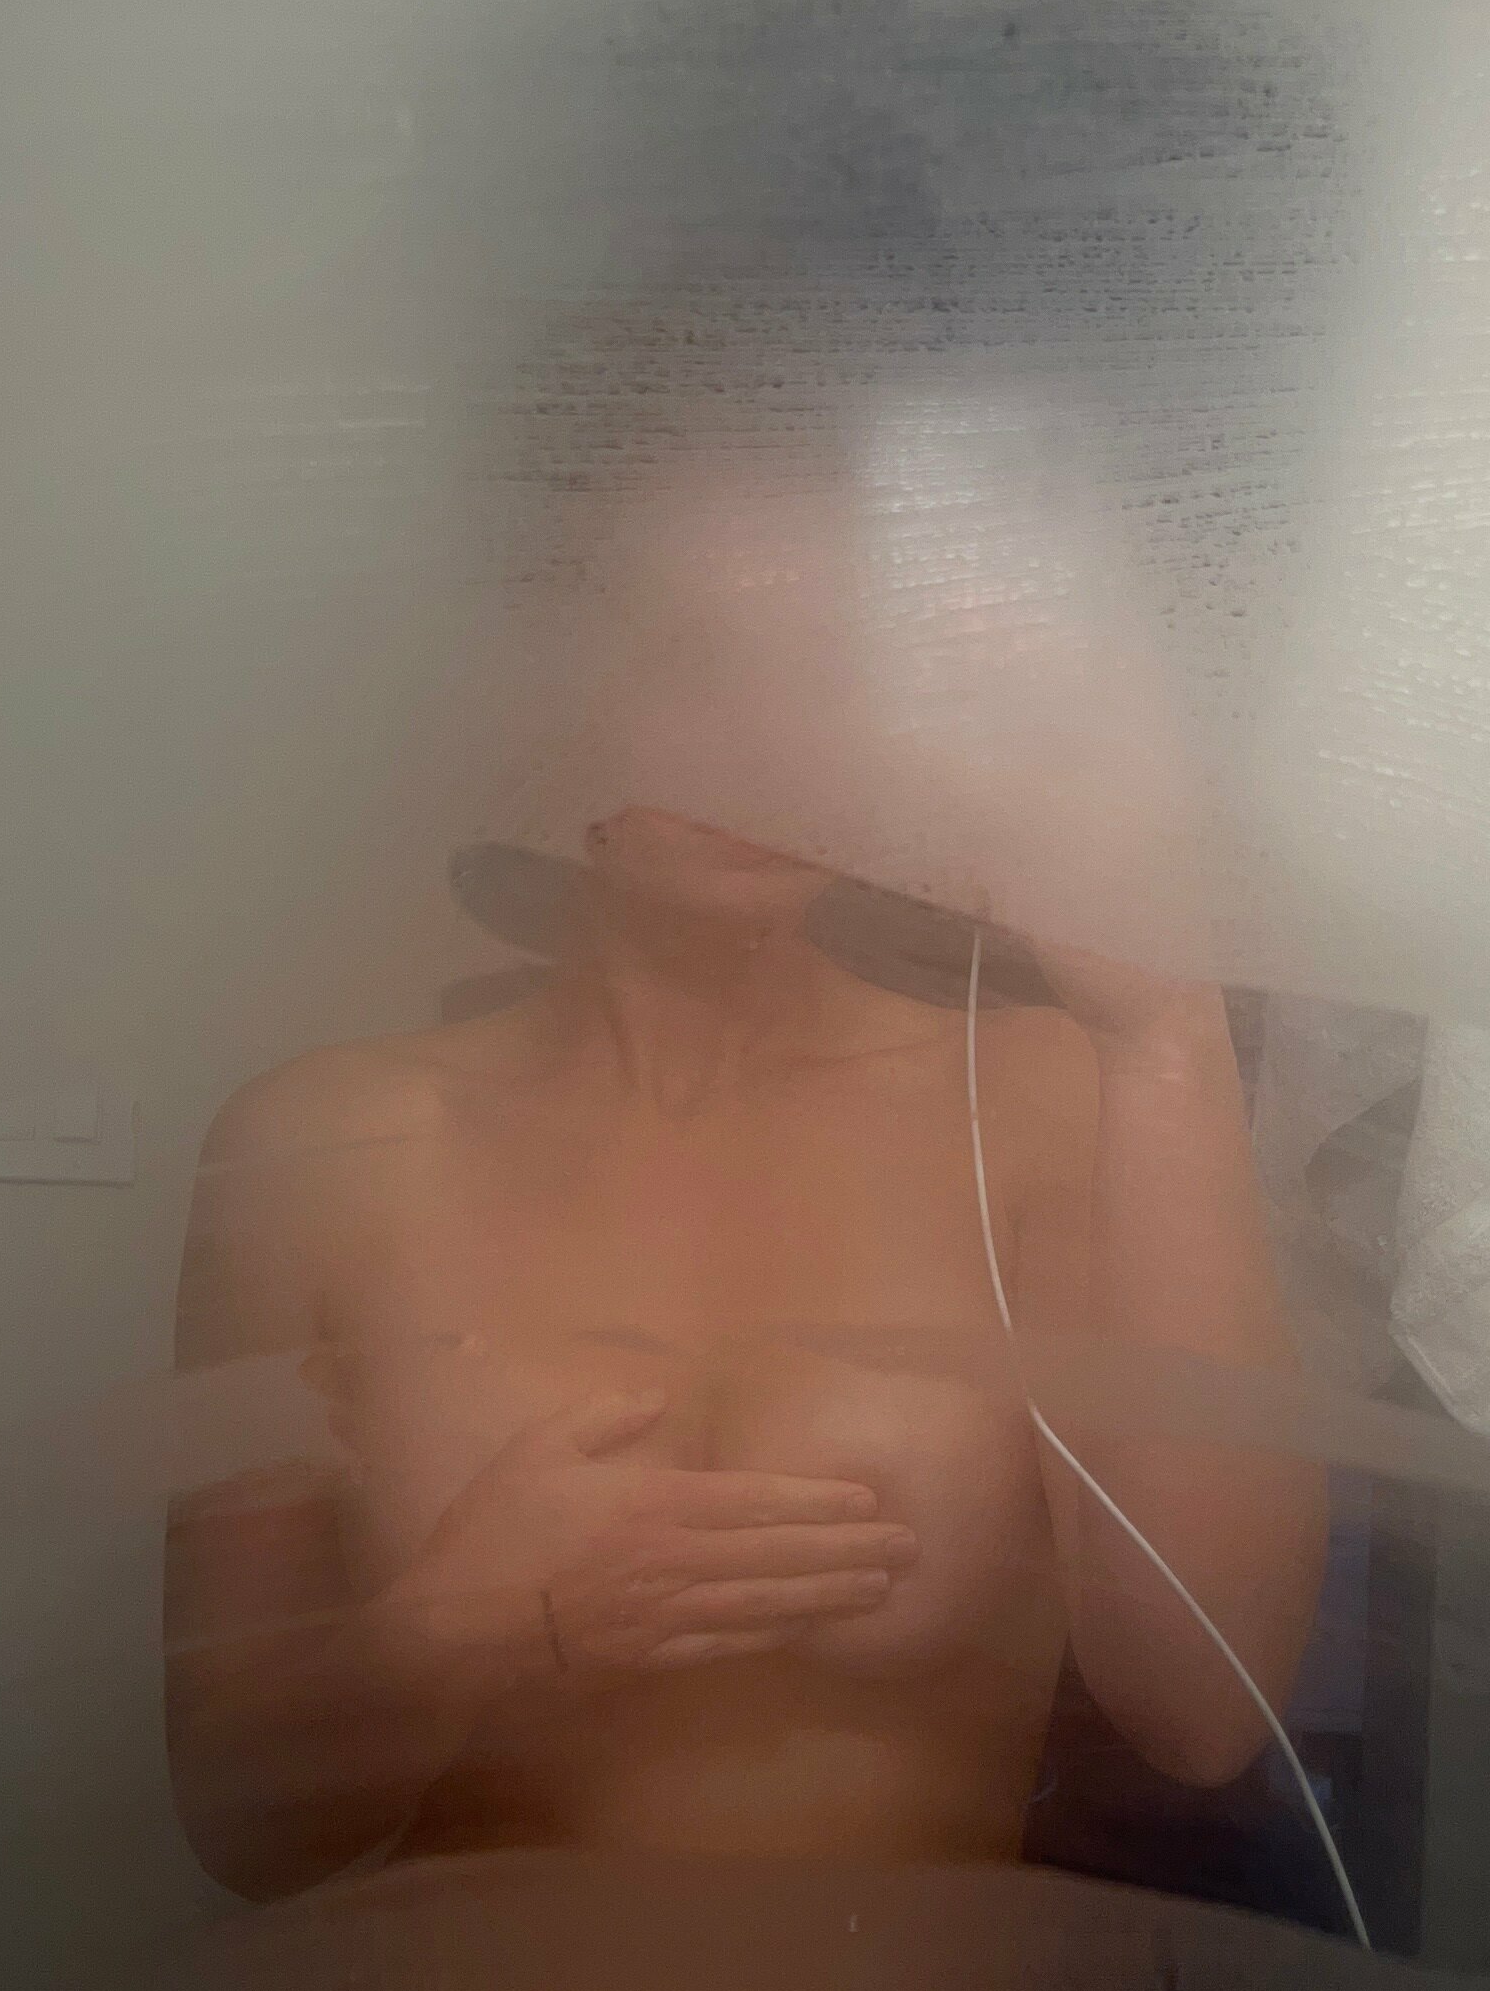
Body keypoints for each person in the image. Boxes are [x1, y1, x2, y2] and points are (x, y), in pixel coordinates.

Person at [162, 786, 1327, 1906]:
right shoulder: (319, 1144)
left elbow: (1207, 1719)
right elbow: (240, 1831)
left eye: (809, 697)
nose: (762, 759)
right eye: (700, 685)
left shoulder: (1033, 1099)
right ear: (552, 713)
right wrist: (464, 1625)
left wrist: (1168, 1033)